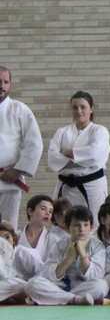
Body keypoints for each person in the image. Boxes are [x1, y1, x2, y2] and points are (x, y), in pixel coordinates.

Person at [25, 205, 108, 306]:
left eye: (86, 225)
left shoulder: (97, 245)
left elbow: (97, 275)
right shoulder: (60, 244)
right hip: (60, 286)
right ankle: (74, 299)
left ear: (91, 228)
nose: (82, 229)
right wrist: (69, 257)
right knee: (32, 283)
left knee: (101, 286)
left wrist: (83, 254)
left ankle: (56, 298)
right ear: (67, 228)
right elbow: (48, 275)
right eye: (77, 225)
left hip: (83, 286)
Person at [46, 91, 110, 218]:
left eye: (83, 107)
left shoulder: (100, 131)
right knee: (62, 221)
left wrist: (67, 153)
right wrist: (83, 160)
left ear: (91, 109)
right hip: (66, 186)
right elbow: (52, 159)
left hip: (92, 186)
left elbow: (95, 155)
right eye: (75, 107)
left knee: (94, 221)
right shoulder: (62, 132)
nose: (79, 111)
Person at [0, 67, 43, 228]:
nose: (2, 86)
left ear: (10, 85)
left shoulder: (20, 110)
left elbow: (34, 143)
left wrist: (18, 170)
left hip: (9, 178)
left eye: (5, 82)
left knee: (7, 227)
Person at [13, 195, 63, 279]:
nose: (47, 213)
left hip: (42, 281)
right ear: (30, 211)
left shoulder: (55, 240)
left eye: (50, 211)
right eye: (43, 209)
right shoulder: (15, 236)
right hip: (17, 280)